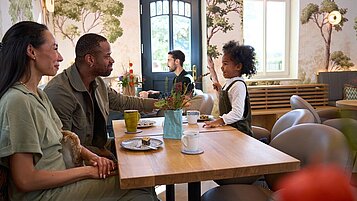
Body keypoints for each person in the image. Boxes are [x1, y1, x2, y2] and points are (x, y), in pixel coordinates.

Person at [0, 21, 157, 201]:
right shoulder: (18, 101)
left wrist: (89, 156)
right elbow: (26, 180)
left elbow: (63, 137)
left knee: (140, 182)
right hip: (44, 194)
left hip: (61, 181)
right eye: (54, 48)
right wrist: (87, 172)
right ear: (31, 51)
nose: (59, 57)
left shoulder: (38, 95)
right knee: (137, 184)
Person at [44, 33, 157, 159]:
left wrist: (161, 104)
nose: (112, 60)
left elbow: (123, 102)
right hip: (81, 161)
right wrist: (102, 155)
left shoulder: (98, 82)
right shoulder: (60, 92)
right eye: (107, 56)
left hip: (101, 149)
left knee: (147, 152)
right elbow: (64, 144)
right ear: (90, 60)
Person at [204, 41, 257, 136]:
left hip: (240, 133)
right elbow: (228, 101)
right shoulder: (230, 82)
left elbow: (237, 113)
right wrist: (220, 90)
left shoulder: (238, 85)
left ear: (238, 66)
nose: (221, 67)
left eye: (225, 64)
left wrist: (219, 121)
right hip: (230, 129)